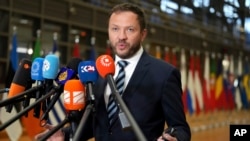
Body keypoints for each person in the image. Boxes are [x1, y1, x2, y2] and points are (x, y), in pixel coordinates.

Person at [35, 2, 191, 141]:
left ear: (143, 34)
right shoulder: (95, 72)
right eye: (115, 29)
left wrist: (173, 138)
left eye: (130, 30)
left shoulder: (164, 73)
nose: (121, 36)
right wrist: (65, 135)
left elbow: (181, 129)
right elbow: (94, 125)